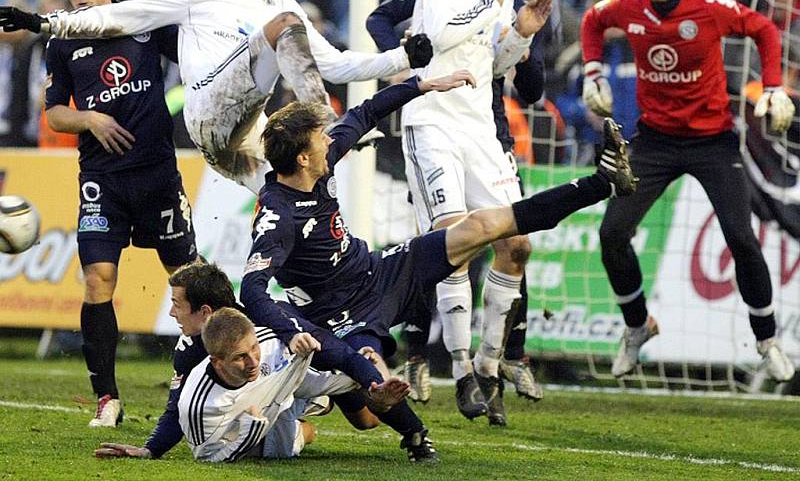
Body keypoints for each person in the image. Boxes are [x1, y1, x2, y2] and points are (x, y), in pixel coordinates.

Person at [240, 72, 636, 456]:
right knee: (370, 394)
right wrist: (291, 330)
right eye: (320, 139)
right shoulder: (277, 216)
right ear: (304, 157)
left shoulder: (317, 167)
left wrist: (421, 85)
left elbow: (364, 113)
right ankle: (397, 415)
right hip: (338, 314)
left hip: (380, 272)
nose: (330, 141)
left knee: (483, 225)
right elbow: (252, 290)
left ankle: (602, 182)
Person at [0, 0, 432, 194]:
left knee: (307, 197)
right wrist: (44, 22)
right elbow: (126, 15)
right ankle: (330, 131)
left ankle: (295, 316)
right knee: (282, 29)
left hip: (240, 138)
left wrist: (401, 59)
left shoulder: (284, 4)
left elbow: (337, 64)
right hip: (207, 107)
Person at [581, 0, 796, 381]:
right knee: (612, 234)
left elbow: (764, 28)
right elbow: (591, 21)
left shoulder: (710, 8)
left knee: (741, 238)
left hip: (713, 142)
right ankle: (638, 327)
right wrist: (593, 74)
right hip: (655, 142)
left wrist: (773, 87)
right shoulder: (628, 6)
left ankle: (767, 339)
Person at [365, 0, 548, 417]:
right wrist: (490, 6)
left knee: (517, 244)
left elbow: (497, 59)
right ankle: (460, 365)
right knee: (453, 240)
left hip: (480, 130)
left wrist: (522, 35)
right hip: (432, 124)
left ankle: (491, 362)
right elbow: (441, 35)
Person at [41, 0, 198, 427]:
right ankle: (107, 398)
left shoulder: (146, 23)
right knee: (97, 279)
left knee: (188, 278)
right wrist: (89, 118)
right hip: (101, 181)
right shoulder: (63, 40)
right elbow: (54, 112)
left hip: (157, 175)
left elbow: (197, 57)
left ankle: (220, 374)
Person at [94, 262, 405, 460]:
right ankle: (303, 414)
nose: (172, 312)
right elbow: (177, 409)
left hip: (312, 363)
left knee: (368, 420)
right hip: (271, 388)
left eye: (177, 304)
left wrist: (368, 377)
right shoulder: (190, 349)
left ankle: (326, 401)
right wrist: (151, 449)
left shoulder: (269, 324)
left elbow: (334, 351)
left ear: (204, 312)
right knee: (275, 436)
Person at [178, 307, 360, 462]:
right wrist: (252, 431)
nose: (253, 361)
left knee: (342, 407)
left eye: (254, 348)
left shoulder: (268, 340)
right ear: (217, 362)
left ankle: (318, 403)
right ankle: (300, 427)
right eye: (240, 357)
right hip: (251, 428)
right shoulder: (198, 407)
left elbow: (299, 371)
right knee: (303, 436)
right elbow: (208, 458)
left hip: (279, 394)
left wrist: (361, 375)